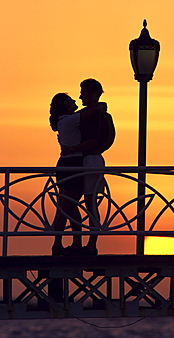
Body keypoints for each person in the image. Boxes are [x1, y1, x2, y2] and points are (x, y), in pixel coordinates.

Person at [61, 78, 115, 256]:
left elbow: (93, 141)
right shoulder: (96, 114)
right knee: (84, 203)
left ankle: (90, 245)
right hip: (89, 161)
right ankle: (86, 244)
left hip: (90, 161)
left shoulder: (96, 116)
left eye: (83, 93)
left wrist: (72, 149)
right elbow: (108, 138)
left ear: (92, 94)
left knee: (89, 204)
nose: (80, 96)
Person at [49, 92, 105, 256]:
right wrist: (100, 105)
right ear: (66, 106)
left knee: (69, 207)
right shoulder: (69, 120)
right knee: (66, 207)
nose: (77, 101)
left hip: (66, 164)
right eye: (72, 101)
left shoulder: (63, 121)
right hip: (73, 164)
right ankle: (59, 244)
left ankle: (72, 243)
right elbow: (91, 111)